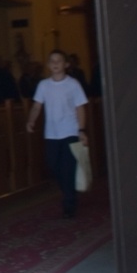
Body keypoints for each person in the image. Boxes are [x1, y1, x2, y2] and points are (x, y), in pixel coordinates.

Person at [26, 49, 88, 218]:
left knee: (68, 167)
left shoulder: (73, 84)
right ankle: (69, 191)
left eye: (58, 61)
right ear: (48, 65)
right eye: (52, 61)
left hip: (70, 131)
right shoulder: (44, 85)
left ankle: (69, 202)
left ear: (66, 64)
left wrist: (81, 130)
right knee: (53, 164)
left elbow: (80, 107)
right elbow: (37, 105)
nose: (55, 64)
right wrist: (31, 119)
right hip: (51, 133)